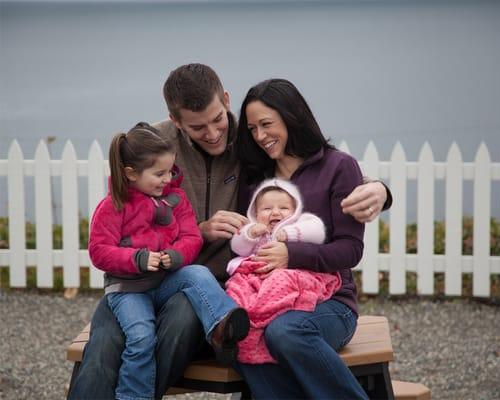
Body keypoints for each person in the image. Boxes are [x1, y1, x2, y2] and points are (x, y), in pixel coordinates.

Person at [68, 64, 391, 399]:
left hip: (232, 291)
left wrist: (381, 190)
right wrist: (201, 230)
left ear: (225, 100)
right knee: (104, 346)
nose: (211, 133)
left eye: (217, 119)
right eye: (197, 126)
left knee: (208, 328)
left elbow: (324, 177)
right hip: (150, 280)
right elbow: (126, 194)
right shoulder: (165, 147)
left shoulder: (249, 146)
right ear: (176, 120)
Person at [87, 122, 249, 399]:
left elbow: (191, 237)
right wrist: (136, 259)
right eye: (159, 173)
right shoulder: (114, 205)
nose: (167, 179)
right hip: (129, 290)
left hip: (163, 281)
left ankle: (222, 325)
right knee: (141, 338)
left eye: (170, 171)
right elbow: (99, 250)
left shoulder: (176, 199)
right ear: (131, 173)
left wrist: (176, 256)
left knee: (197, 273)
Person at [233, 78, 368, 399]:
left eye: (266, 124)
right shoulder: (255, 180)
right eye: (252, 129)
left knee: (284, 330)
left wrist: (291, 255)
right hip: (263, 299)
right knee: (244, 334)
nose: (260, 136)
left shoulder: (339, 167)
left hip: (330, 304)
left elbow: (351, 250)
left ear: (292, 116)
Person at [226, 177, 343, 364]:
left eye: (283, 208)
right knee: (236, 288)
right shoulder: (255, 230)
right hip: (257, 276)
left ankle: (263, 313)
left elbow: (317, 231)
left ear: (295, 210)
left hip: (288, 274)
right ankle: (240, 322)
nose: (275, 212)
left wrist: (286, 233)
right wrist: (249, 233)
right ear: (256, 213)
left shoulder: (301, 222)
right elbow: (238, 247)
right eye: (267, 209)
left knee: (280, 280)